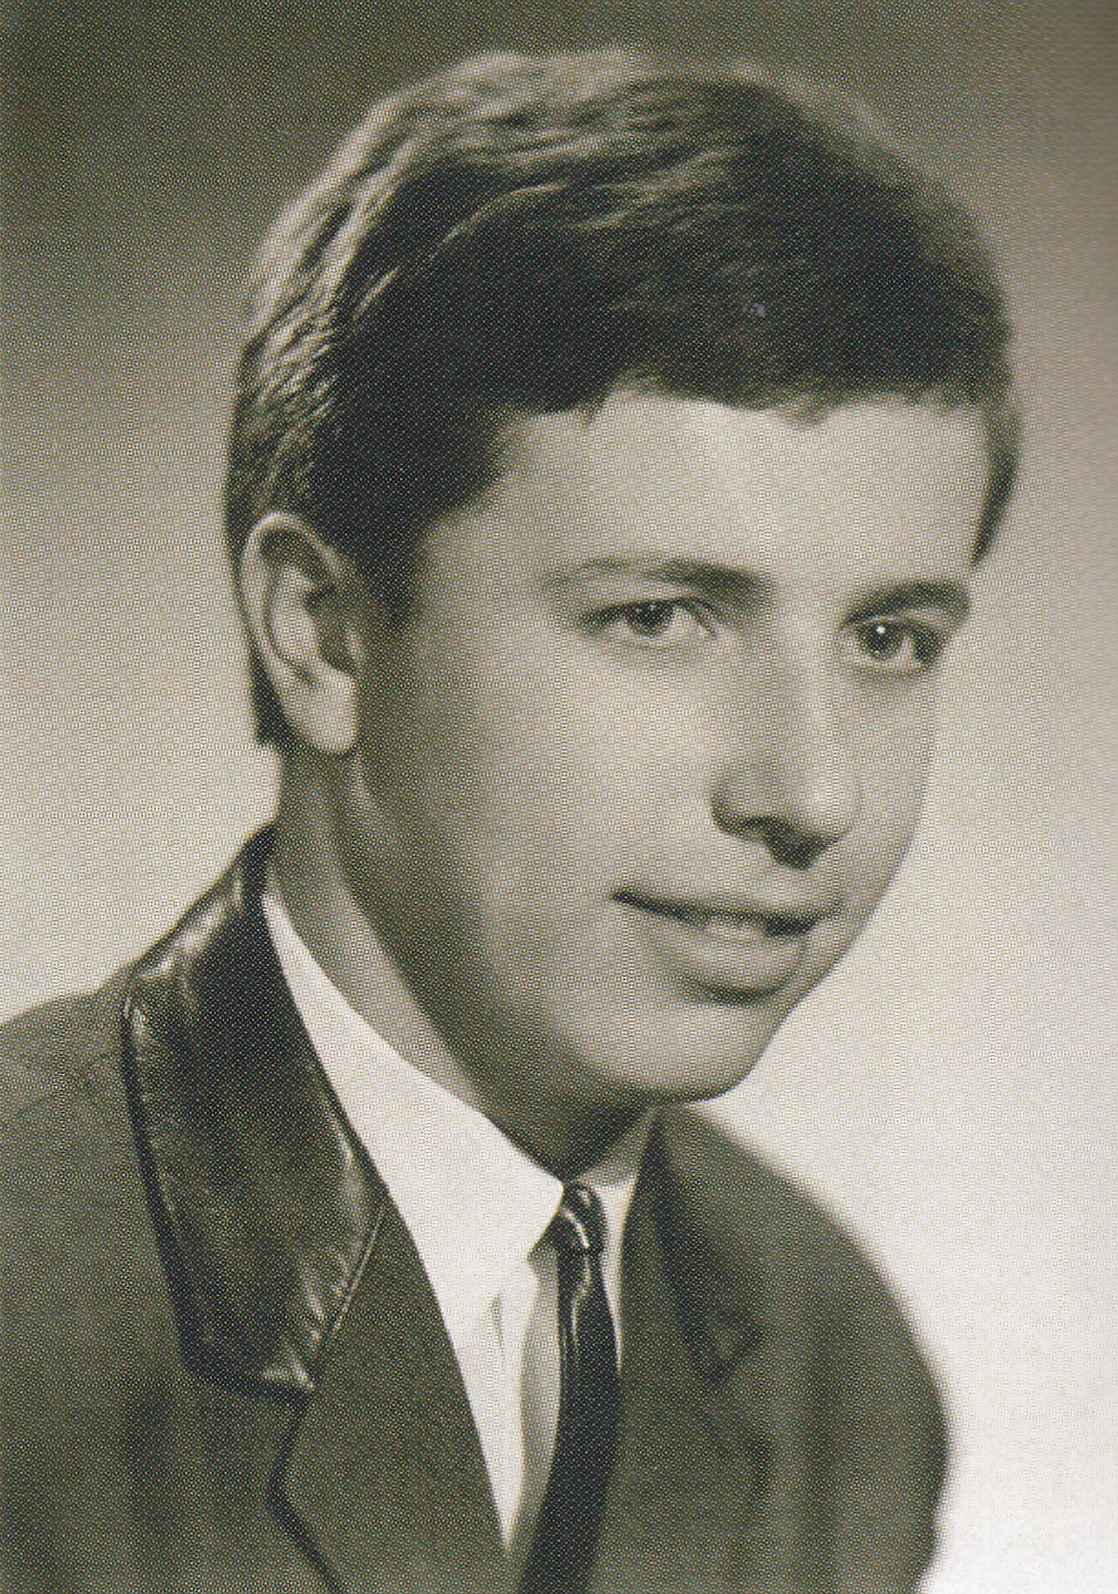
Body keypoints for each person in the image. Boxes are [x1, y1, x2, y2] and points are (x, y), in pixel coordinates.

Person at [0, 48, 1018, 1594]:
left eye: (887, 638)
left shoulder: (830, 1368)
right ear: (325, 635)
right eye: (659, 616)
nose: (813, 792)